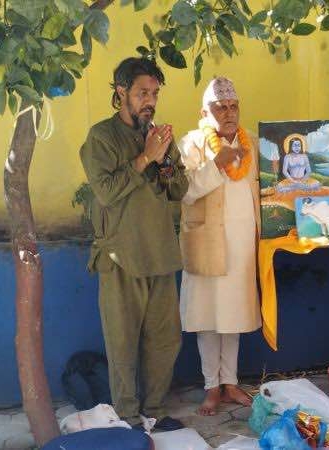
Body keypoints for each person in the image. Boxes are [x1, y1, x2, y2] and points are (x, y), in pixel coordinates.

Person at [80, 57, 188, 431]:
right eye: (143, 92)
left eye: (154, 93)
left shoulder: (158, 135)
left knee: (165, 341)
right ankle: (127, 418)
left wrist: (166, 162)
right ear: (120, 92)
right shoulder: (101, 138)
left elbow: (180, 189)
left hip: (159, 252)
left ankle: (155, 411)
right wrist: (145, 158)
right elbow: (107, 192)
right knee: (122, 344)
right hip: (121, 256)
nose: (150, 101)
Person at [178, 77, 262, 416]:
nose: (228, 113)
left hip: (243, 244)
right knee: (209, 319)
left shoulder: (253, 142)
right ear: (204, 112)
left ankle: (231, 382)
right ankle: (211, 387)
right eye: (219, 107)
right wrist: (218, 163)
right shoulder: (192, 144)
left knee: (234, 317)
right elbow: (184, 191)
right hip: (206, 242)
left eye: (232, 106)